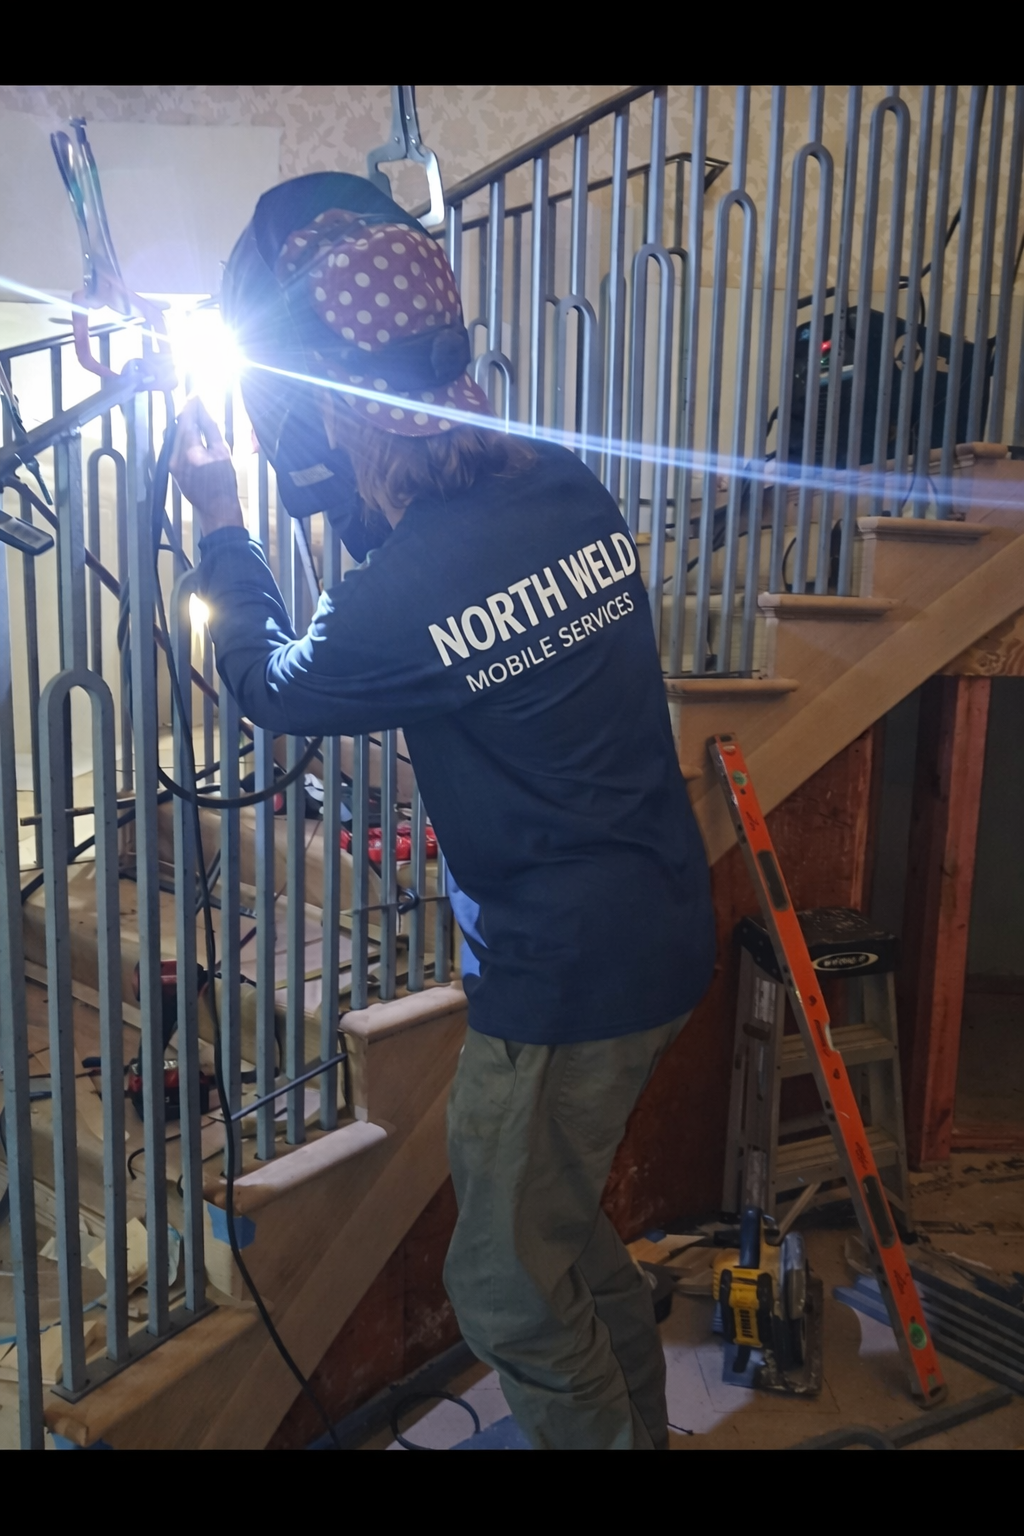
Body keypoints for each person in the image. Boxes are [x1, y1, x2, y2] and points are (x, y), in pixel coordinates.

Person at [171, 174, 715, 1451]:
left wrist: (223, 525)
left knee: (504, 1288)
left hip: (561, 978)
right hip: (659, 922)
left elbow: (268, 685)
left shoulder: (400, 597)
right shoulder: (561, 485)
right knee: (557, 1237)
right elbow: (428, 575)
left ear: (328, 419)